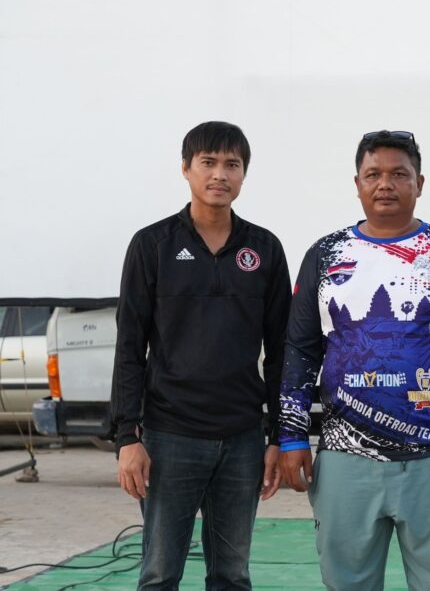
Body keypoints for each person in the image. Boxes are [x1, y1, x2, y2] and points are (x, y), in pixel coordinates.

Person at [277, 130, 430, 591]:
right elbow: (300, 349)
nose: (385, 184)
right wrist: (291, 435)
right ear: (357, 183)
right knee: (346, 582)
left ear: (420, 183)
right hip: (345, 454)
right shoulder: (325, 254)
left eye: (399, 174)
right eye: (373, 174)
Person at [111, 121, 291, 590]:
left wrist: (280, 436)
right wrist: (127, 437)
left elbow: (280, 353)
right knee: (159, 574)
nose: (219, 174)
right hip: (169, 435)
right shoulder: (152, 244)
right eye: (208, 163)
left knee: (232, 575)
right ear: (186, 169)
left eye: (232, 164)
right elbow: (129, 346)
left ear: (244, 173)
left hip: (242, 438)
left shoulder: (265, 248)